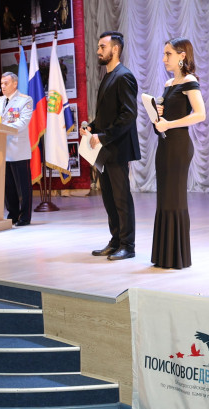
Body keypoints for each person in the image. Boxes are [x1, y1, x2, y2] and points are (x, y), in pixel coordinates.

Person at [150, 38, 207, 270]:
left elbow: (200, 114)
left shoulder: (189, 81)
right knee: (164, 198)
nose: (164, 58)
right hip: (165, 145)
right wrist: (158, 114)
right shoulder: (169, 83)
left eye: (168, 54)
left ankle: (177, 257)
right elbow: (165, 119)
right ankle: (165, 255)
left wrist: (169, 124)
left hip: (179, 146)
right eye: (164, 54)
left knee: (175, 198)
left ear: (182, 56)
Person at [84, 31, 140, 261]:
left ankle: (128, 245)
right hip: (105, 149)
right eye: (98, 47)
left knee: (121, 198)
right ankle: (115, 240)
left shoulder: (124, 76)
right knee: (108, 197)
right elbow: (106, 115)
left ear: (115, 49)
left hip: (117, 148)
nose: (98, 51)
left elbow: (128, 115)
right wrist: (92, 127)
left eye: (102, 47)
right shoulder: (108, 76)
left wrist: (103, 136)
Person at [0, 72, 35, 227]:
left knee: (23, 187)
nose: (2, 86)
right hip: (2, 150)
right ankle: (13, 215)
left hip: (18, 150)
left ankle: (25, 217)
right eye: (1, 83)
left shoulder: (25, 100)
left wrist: (1, 128)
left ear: (15, 84)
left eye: (6, 83)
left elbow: (22, 123)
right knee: (8, 187)